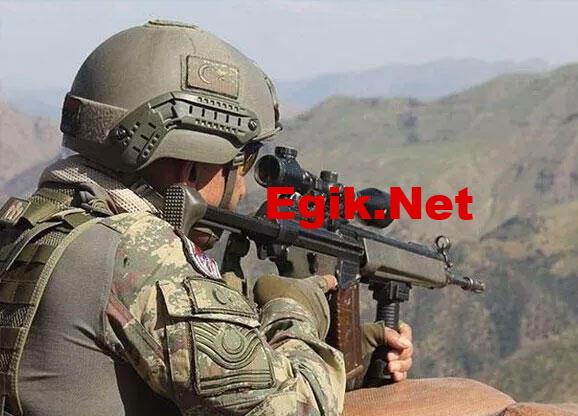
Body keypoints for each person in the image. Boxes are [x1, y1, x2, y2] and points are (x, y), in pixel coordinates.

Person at [0, 20, 412, 416]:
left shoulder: (34, 223)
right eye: (242, 162)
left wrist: (344, 352)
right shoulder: (139, 251)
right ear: (190, 167)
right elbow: (296, 407)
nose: (242, 188)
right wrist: (295, 310)